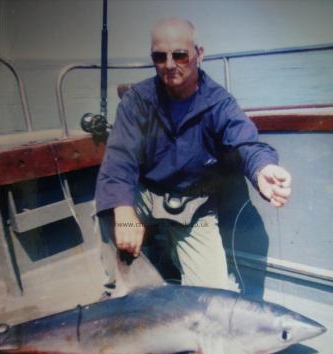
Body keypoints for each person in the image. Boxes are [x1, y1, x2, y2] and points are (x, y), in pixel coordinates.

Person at [95, 17, 291, 289]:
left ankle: (175, 255)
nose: (170, 65)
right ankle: (117, 283)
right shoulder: (136, 101)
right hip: (145, 195)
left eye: (180, 55)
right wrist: (124, 211)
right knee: (109, 206)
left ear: (199, 54)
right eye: (159, 56)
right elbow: (118, 162)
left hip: (192, 206)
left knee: (212, 296)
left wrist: (262, 169)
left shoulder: (218, 103)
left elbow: (246, 142)